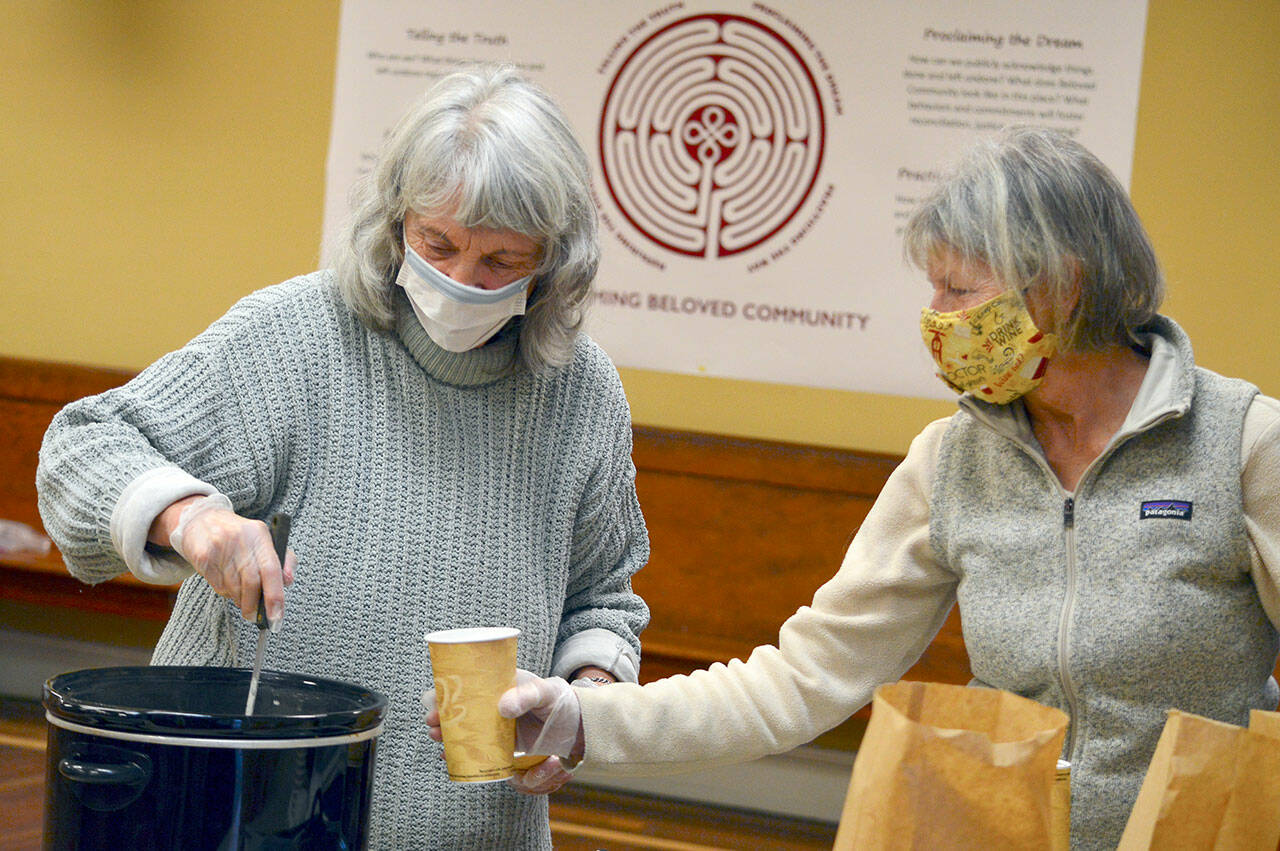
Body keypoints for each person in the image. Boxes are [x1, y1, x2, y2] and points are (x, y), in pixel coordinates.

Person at [481, 127, 1280, 850]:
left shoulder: (1240, 441)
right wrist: (584, 720)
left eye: (960, 291)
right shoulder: (954, 458)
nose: (935, 318)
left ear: (1063, 287)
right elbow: (801, 680)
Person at [36, 65, 650, 849]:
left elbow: (604, 599)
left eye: (500, 261)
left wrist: (582, 705)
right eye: (438, 243)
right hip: (242, 814)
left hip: (473, 829)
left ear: (556, 262)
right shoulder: (300, 334)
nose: (462, 279)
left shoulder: (581, 392)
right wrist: (189, 520)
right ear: (396, 221)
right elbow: (81, 446)